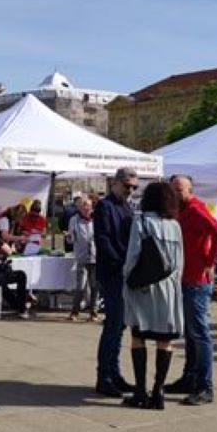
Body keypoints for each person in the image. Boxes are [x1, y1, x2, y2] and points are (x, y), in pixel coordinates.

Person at [165, 175, 217, 406]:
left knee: (199, 334)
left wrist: (210, 263)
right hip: (186, 277)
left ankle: (205, 386)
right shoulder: (181, 209)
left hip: (197, 280)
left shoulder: (195, 208)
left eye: (179, 189)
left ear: (190, 190)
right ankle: (189, 378)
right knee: (191, 333)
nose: (175, 193)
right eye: (172, 189)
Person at [121, 181, 184, 410]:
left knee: (138, 336)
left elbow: (133, 255)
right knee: (165, 340)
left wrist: (127, 278)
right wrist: (174, 284)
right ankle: (159, 392)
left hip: (144, 288)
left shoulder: (142, 221)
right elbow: (179, 261)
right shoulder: (174, 225)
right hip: (168, 287)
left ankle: (140, 391)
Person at [93, 166, 138, 397]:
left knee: (120, 326)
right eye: (128, 186)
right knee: (113, 326)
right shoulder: (105, 206)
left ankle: (115, 373)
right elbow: (103, 240)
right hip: (113, 274)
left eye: (134, 187)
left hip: (126, 273)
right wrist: (121, 265)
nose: (131, 190)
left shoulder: (128, 207)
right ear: (116, 183)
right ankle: (104, 377)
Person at [67, 197, 99, 322]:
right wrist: (69, 236)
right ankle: (75, 311)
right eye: (84, 207)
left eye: (89, 206)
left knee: (95, 286)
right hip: (82, 256)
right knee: (80, 286)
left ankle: (93, 312)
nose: (87, 209)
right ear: (79, 208)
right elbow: (71, 239)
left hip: (96, 257)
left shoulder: (97, 219)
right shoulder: (74, 220)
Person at [0, 235, 32, 317]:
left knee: (1, 279)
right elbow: (9, 251)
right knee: (21, 275)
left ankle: (15, 304)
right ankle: (22, 309)